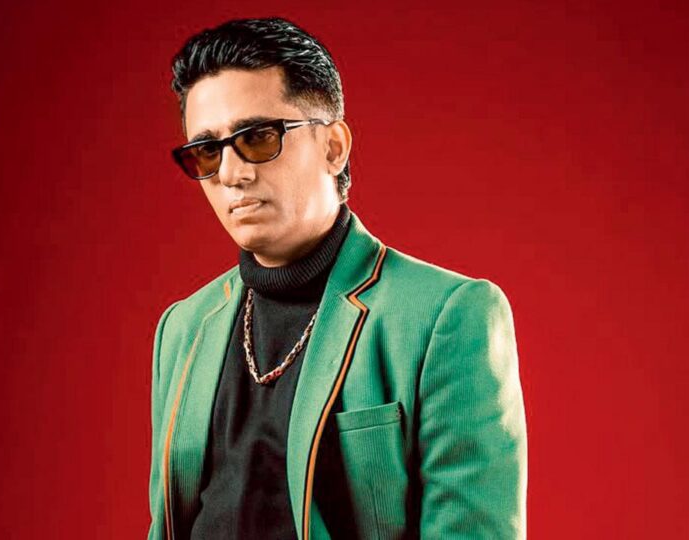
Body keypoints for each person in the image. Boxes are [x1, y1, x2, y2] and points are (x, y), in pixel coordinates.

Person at [148, 17, 527, 540]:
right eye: (208, 151)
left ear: (333, 147)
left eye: (258, 138)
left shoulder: (449, 314)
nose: (232, 174)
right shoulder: (182, 328)